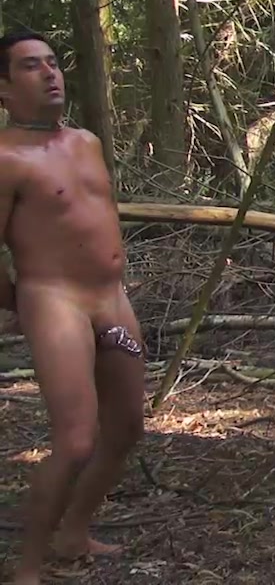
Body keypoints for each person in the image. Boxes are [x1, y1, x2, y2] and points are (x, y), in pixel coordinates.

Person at [0, 30, 146, 584]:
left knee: (126, 427)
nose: (50, 74)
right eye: (31, 66)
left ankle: (73, 532)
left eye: (53, 63)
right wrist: (19, 304)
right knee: (77, 439)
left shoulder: (86, 141)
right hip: (55, 302)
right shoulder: (5, 158)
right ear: (4, 88)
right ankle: (26, 568)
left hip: (112, 300)